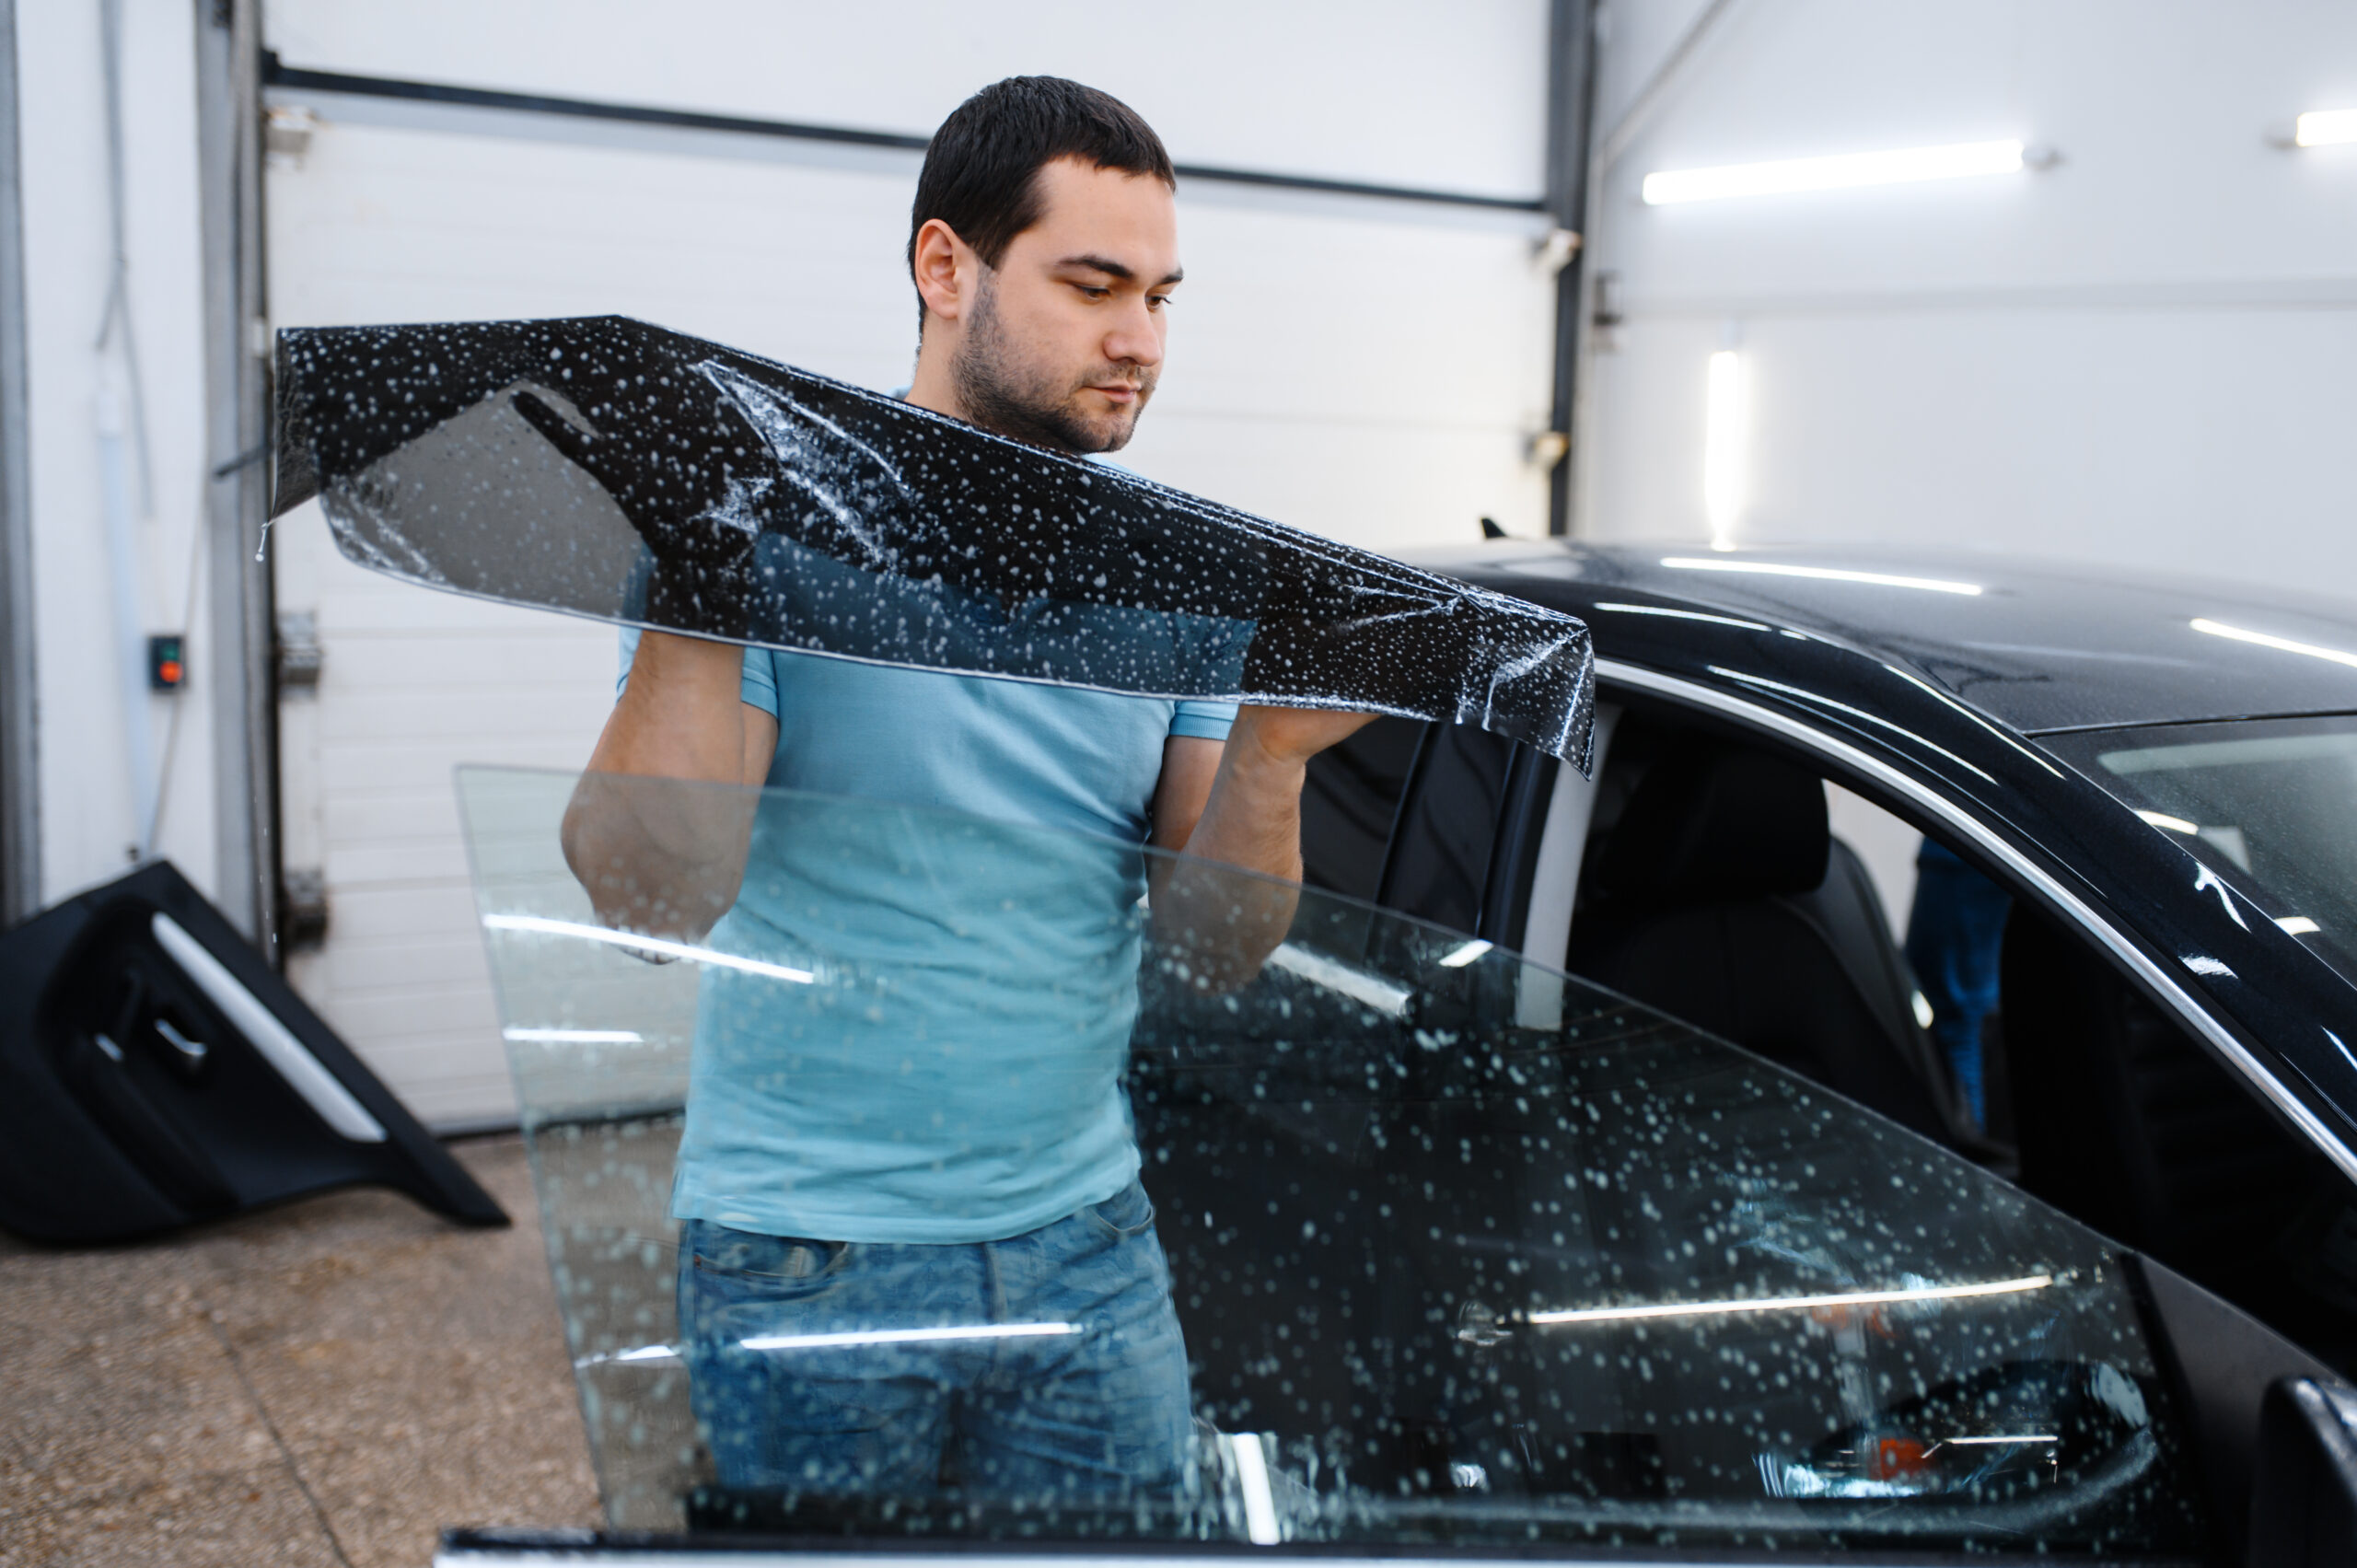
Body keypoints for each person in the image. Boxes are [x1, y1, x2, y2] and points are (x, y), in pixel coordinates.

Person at [559, 77, 1372, 1505]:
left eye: (1164, 296)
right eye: (1093, 283)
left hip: (1091, 1239)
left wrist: (1271, 754)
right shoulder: (763, 533)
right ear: (948, 268)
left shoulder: (1170, 578)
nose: (1141, 342)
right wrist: (699, 583)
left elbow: (1211, 953)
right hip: (806, 1255)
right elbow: (647, 899)